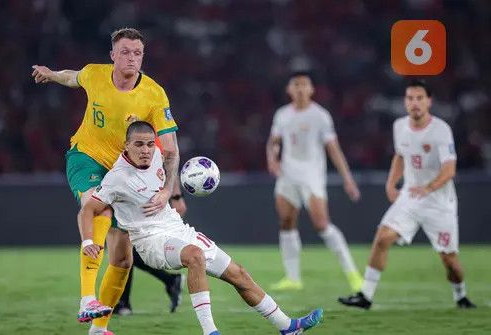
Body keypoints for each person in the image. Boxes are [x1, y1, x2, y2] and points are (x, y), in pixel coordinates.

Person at [80, 121, 323, 335]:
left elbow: (171, 156)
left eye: (149, 144)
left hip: (177, 228)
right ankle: (210, 331)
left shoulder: (156, 155)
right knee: (194, 257)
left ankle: (288, 326)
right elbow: (87, 210)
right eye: (139, 145)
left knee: (238, 273)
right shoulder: (117, 178)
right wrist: (88, 242)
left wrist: (168, 192)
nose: (145, 150)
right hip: (150, 240)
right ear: (126, 146)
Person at [31, 28, 184, 334]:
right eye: (125, 52)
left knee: (124, 260)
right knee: (98, 208)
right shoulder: (96, 74)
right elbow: (71, 76)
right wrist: (50, 74)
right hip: (86, 157)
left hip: (122, 172)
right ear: (113, 55)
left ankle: (98, 329)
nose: (131, 58)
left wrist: (169, 190)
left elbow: (170, 149)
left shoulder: (154, 94)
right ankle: (87, 298)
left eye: (137, 53)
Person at [338, 80, 476, 309]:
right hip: (410, 197)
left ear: (429, 101)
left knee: (449, 261)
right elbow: (401, 155)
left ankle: (461, 295)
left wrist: (428, 188)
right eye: (410, 98)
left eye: (419, 98)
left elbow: (449, 169)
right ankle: (365, 296)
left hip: (439, 202)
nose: (415, 103)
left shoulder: (441, 130)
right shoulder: (399, 126)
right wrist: (391, 184)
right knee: (382, 238)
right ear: (405, 102)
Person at [266, 71, 363, 291]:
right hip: (287, 176)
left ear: (311, 89)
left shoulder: (320, 116)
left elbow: (334, 149)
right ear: (289, 89)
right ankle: (293, 278)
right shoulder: (282, 115)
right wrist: (272, 159)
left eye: (304, 85)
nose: (300, 89)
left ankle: (353, 274)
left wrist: (347, 179)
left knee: (322, 224)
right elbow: (273, 142)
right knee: (286, 222)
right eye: (296, 84)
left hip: (311, 176)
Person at [114, 195, 186, 316]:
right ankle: (123, 302)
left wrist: (176, 197)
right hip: (133, 195)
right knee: (126, 250)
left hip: (140, 197)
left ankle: (123, 304)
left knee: (125, 249)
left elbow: (171, 175)